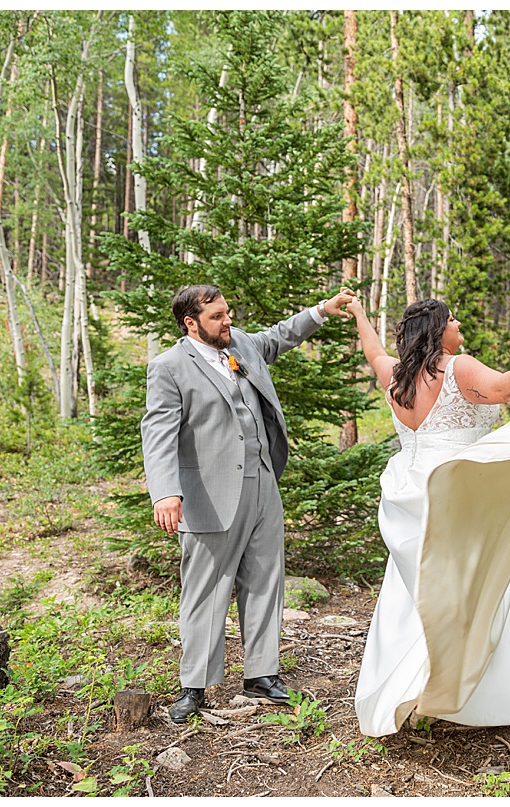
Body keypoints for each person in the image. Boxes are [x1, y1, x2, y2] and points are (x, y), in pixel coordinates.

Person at [346, 296, 510, 736]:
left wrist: (362, 316)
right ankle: (497, 689)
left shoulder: (395, 375)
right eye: (453, 319)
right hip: (456, 489)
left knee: (420, 588)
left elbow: (373, 353)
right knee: (483, 578)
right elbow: (506, 390)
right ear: (439, 330)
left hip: (412, 489)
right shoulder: (457, 367)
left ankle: (420, 681)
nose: (460, 324)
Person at [141, 283, 354, 723]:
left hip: (262, 484)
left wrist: (323, 310)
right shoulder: (169, 367)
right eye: (217, 316)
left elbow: (282, 334)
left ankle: (261, 675)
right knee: (204, 591)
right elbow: (157, 432)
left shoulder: (241, 345)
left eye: (227, 312)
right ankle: (195, 687)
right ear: (191, 323)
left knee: (264, 580)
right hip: (208, 494)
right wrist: (165, 491)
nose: (228, 321)